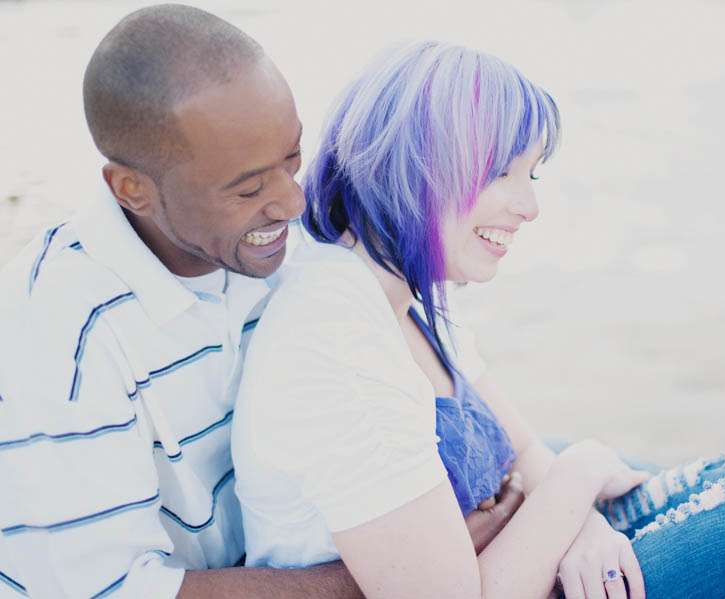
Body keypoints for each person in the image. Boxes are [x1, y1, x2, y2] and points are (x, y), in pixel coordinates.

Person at [231, 41, 725, 599]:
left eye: (533, 175)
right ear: (415, 166)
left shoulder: (399, 286)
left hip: (525, 556)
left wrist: (584, 524)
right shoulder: (338, 345)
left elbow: (523, 450)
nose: (529, 206)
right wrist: (582, 471)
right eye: (502, 173)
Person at [0, 7, 518, 598]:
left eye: (292, 159)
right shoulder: (57, 342)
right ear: (132, 189)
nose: (293, 204)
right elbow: (111, 593)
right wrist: (410, 564)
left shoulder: (277, 245)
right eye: (248, 189)